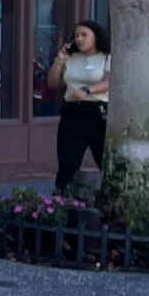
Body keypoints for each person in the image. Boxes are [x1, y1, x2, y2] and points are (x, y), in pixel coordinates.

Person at [46, 19, 110, 192]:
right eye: (77, 36)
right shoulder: (71, 58)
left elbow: (109, 82)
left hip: (98, 113)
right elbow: (52, 83)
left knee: (106, 163)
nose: (80, 39)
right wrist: (59, 61)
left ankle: (109, 204)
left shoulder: (106, 57)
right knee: (67, 164)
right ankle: (61, 202)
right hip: (73, 113)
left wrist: (87, 90)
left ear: (95, 37)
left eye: (84, 35)